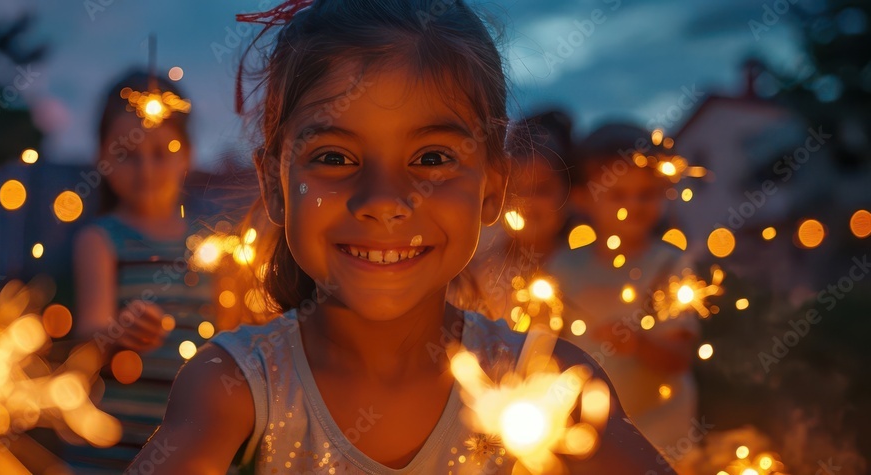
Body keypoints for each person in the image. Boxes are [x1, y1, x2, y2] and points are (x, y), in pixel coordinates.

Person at [131, 1, 666, 473]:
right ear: (276, 185)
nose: (384, 200)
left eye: (432, 158)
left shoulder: (551, 386)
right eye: (335, 158)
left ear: (492, 188)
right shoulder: (235, 389)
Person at [67, 69, 218, 473]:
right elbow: (88, 341)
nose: (146, 170)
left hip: (190, 454)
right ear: (101, 156)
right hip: (107, 451)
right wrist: (118, 334)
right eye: (127, 154)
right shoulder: (99, 241)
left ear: (188, 154)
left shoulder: (212, 250)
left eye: (162, 152)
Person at [545, 123, 701, 465]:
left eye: (646, 193)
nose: (633, 204)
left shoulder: (668, 266)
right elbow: (544, 343)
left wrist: (639, 344)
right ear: (584, 198)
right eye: (617, 194)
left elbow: (680, 356)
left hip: (662, 434)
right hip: (590, 432)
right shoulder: (563, 266)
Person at [449, 111, 573, 326]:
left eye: (542, 189)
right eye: (516, 190)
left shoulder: (583, 267)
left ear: (569, 193)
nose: (527, 201)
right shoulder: (481, 273)